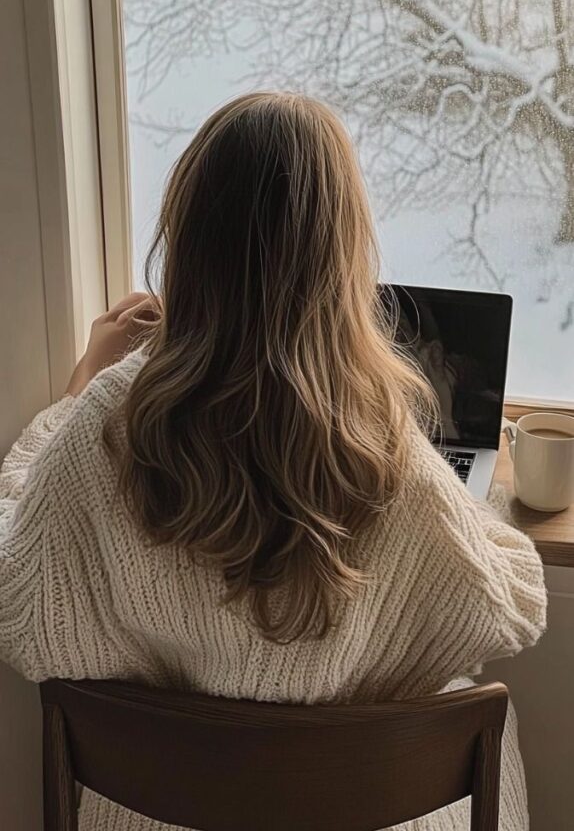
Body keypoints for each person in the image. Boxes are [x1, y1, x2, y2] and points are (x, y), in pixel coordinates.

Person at [0, 92, 545, 831]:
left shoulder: (106, 423)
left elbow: (22, 599)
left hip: (157, 809)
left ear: (187, 243)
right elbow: (508, 605)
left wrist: (72, 398)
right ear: (342, 258)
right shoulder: (381, 437)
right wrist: (472, 507)